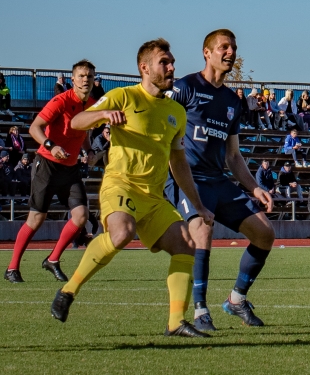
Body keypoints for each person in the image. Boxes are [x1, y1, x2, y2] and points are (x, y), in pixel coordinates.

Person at [52, 39, 214, 337]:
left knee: (186, 245)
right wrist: (102, 115)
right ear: (145, 67)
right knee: (122, 233)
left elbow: (178, 163)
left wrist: (199, 206)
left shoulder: (176, 113)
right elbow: (77, 121)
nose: (171, 67)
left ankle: (176, 322)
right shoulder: (123, 96)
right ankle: (68, 290)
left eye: (172, 61)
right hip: (120, 185)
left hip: (153, 198)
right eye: (164, 62)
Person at [163, 30, 276, 331]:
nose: (231, 52)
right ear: (206, 52)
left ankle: (236, 300)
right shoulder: (184, 88)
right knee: (202, 228)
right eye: (223, 47)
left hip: (217, 179)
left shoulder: (231, 101)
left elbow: (234, 156)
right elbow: (162, 132)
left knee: (265, 233)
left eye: (234, 47)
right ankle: (200, 312)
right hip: (186, 177)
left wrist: (254, 187)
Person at [5, 61, 99, 285]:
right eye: (82, 76)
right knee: (36, 219)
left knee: (81, 216)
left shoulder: (94, 105)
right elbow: (34, 128)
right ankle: (12, 268)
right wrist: (51, 145)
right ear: (73, 79)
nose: (86, 79)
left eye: (90, 76)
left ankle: (53, 259)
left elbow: (83, 133)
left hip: (71, 169)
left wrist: (89, 151)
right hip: (47, 165)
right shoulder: (60, 100)